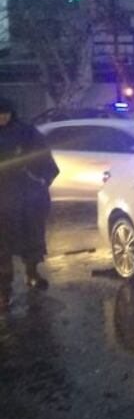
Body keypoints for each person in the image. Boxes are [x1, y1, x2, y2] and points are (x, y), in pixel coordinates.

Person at [0, 99, 59, 311]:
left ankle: (32, 272)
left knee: (31, 238)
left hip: (27, 196)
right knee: (3, 248)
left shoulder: (25, 132)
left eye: (6, 113)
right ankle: (4, 291)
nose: (3, 118)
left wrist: (42, 178)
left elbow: (43, 158)